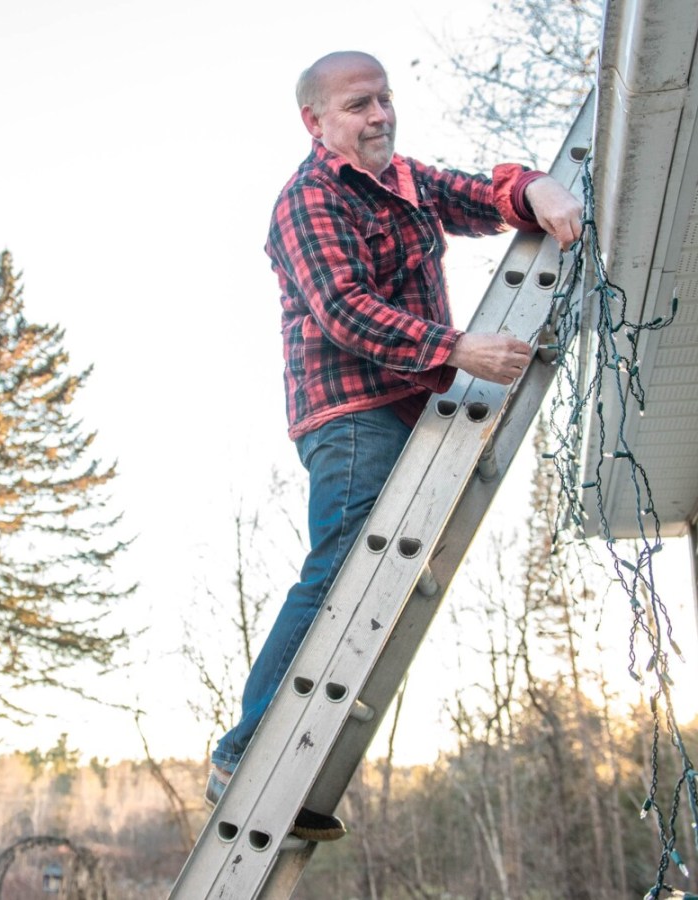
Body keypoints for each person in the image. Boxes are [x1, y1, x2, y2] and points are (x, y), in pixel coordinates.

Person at [206, 50, 583, 841]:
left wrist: (534, 190)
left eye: (384, 99)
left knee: (383, 581)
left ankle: (297, 769)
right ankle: (242, 761)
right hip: (350, 414)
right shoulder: (308, 200)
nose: (379, 115)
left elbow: (473, 195)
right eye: (358, 105)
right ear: (315, 122)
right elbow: (345, 310)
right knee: (340, 569)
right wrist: (458, 349)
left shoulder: (404, 179)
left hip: (415, 403)